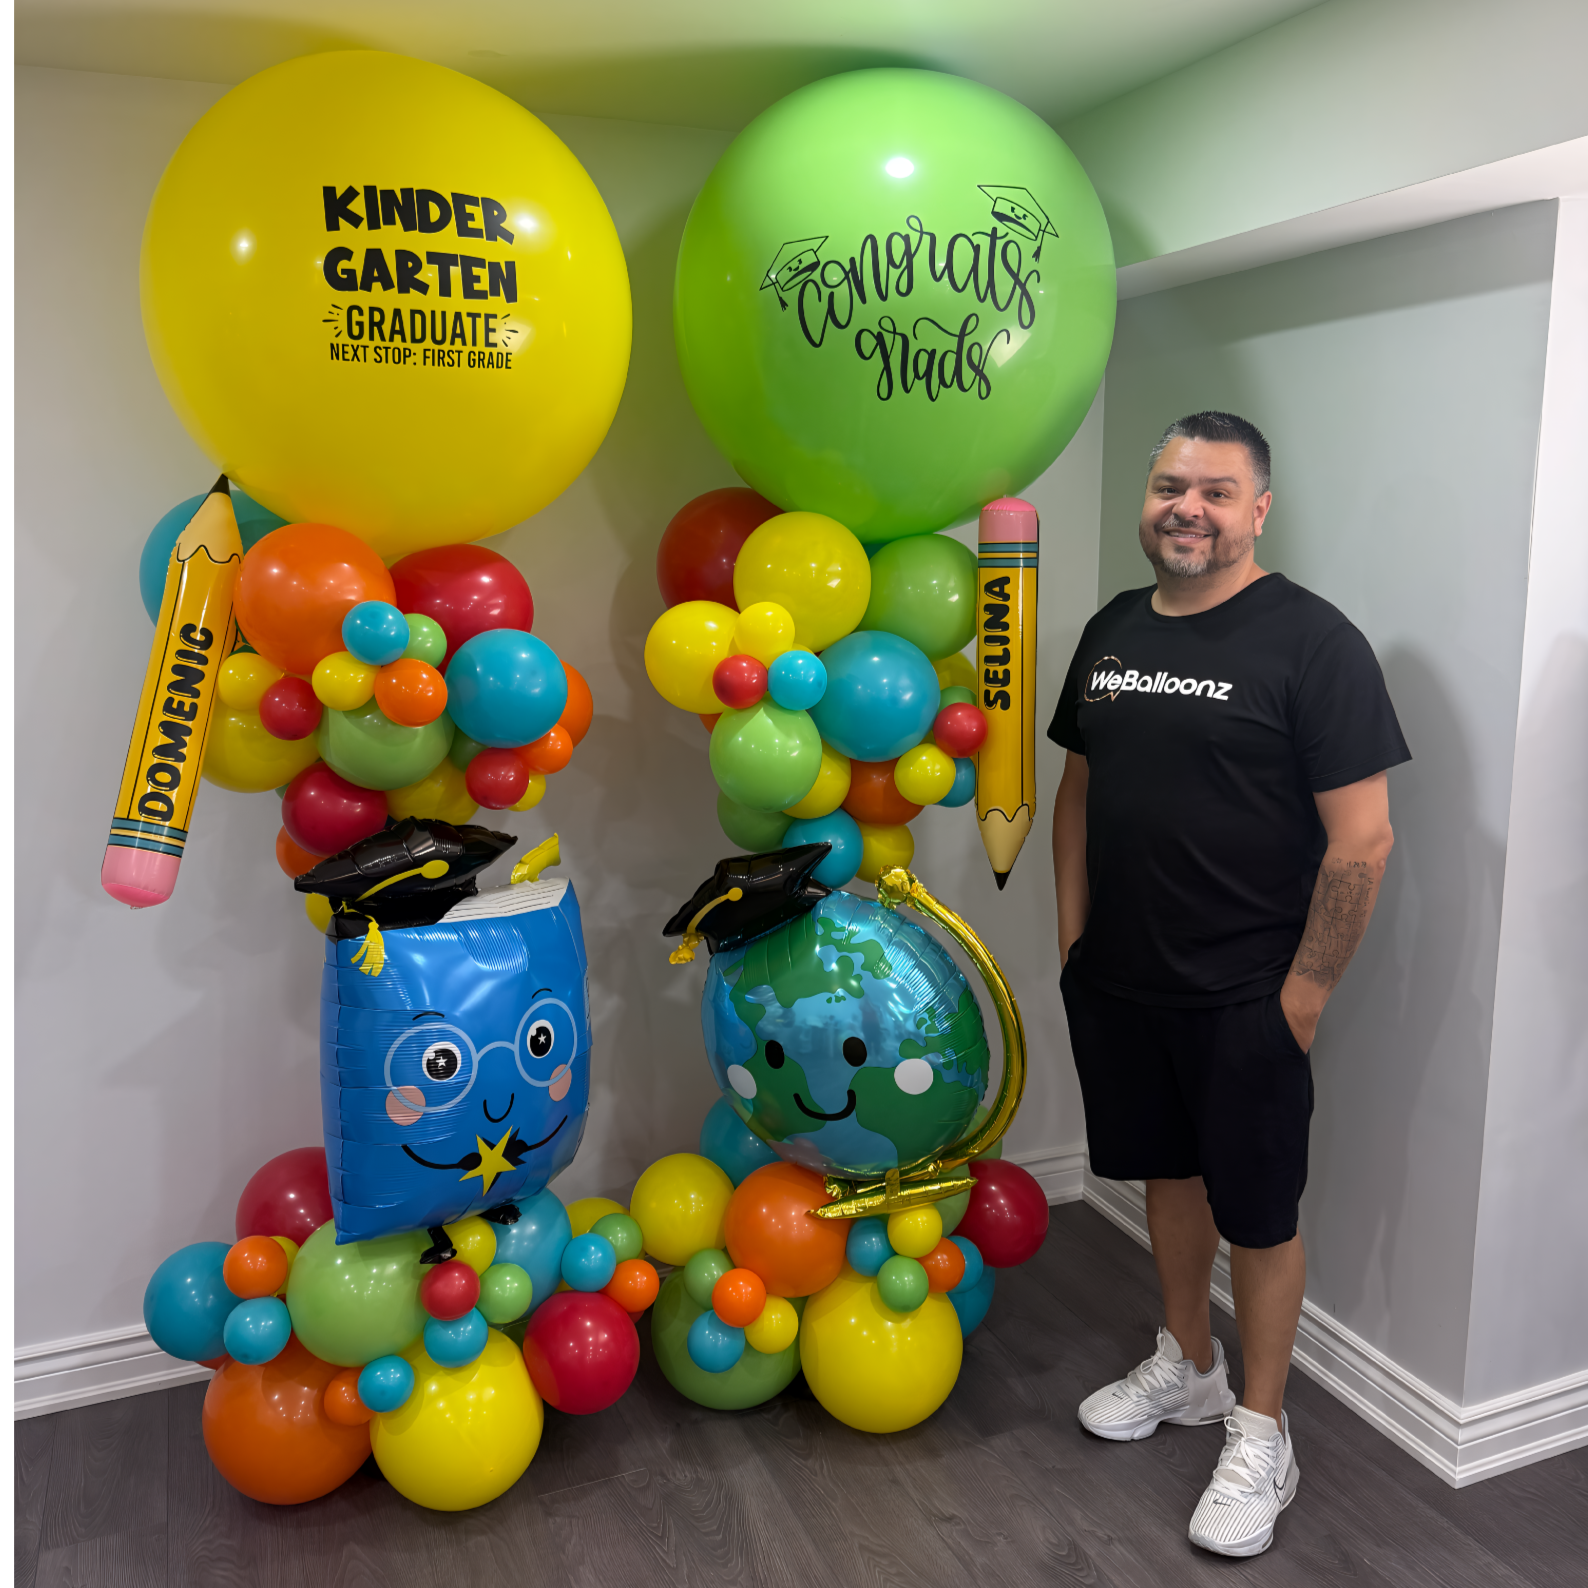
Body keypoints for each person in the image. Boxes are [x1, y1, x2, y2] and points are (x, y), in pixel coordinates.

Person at [1049, 411, 1408, 1558]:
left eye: (1214, 490)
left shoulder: (1314, 643)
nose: (1184, 507)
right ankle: (1186, 1364)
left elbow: (1363, 840)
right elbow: (1079, 790)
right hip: (1121, 979)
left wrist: (1300, 998)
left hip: (1249, 992)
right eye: (1168, 486)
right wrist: (1072, 938)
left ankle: (1261, 1429)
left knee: (1259, 1211)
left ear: (1258, 509)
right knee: (1167, 1174)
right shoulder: (1109, 629)